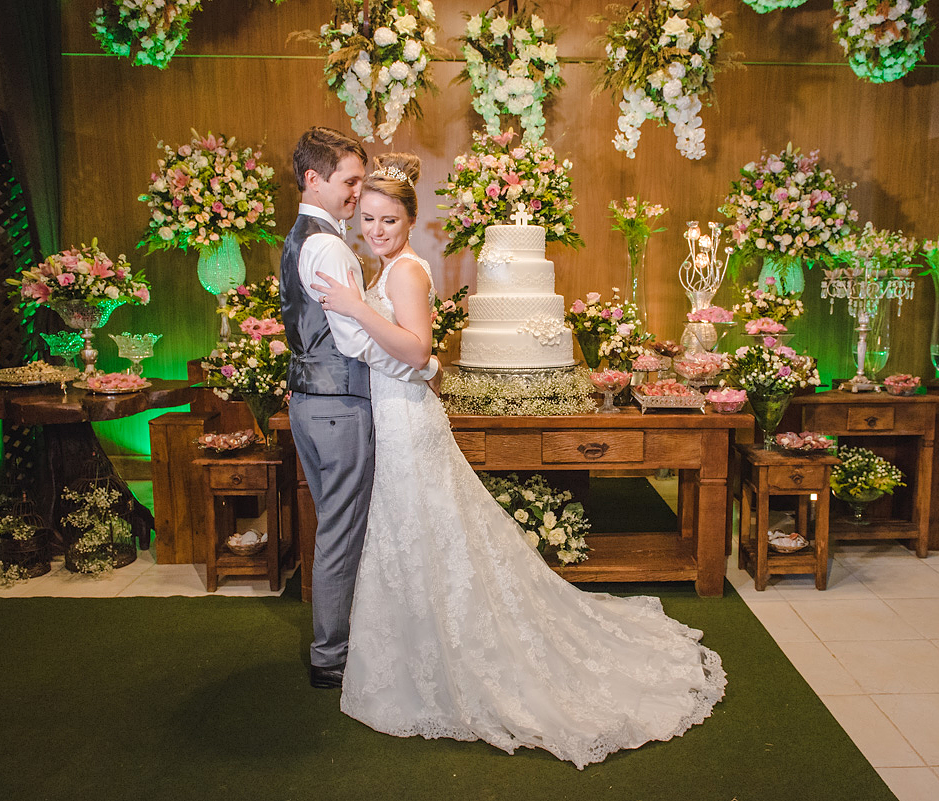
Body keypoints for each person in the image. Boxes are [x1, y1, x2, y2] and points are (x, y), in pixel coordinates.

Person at [312, 152, 726, 769]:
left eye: (389, 220)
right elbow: (418, 360)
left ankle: (446, 654)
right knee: (414, 536)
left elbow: (418, 346)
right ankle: (418, 646)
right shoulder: (387, 267)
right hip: (395, 416)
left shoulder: (405, 273)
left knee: (424, 530)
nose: (376, 230)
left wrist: (356, 309)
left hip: (405, 421)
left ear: (408, 221)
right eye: (368, 218)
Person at [280, 127, 439, 691]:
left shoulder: (305, 238)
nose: (358, 202)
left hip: (319, 401)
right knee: (345, 532)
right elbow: (355, 343)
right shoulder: (330, 247)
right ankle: (331, 655)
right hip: (340, 407)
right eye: (350, 185)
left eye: (383, 216)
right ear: (313, 180)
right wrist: (424, 365)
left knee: (358, 526)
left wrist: (417, 359)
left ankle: (365, 635)